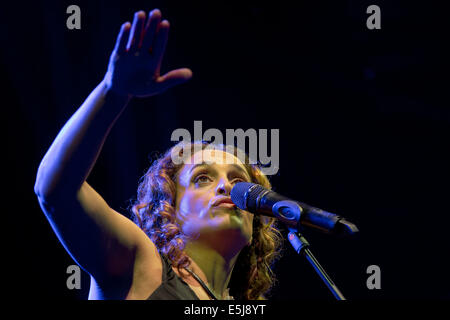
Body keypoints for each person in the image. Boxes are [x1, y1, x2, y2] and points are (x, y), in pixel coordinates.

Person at [34, 8, 282, 300]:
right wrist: (113, 93)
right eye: (202, 178)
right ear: (169, 209)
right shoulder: (142, 264)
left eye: (239, 181)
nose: (226, 186)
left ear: (255, 224)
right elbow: (55, 191)